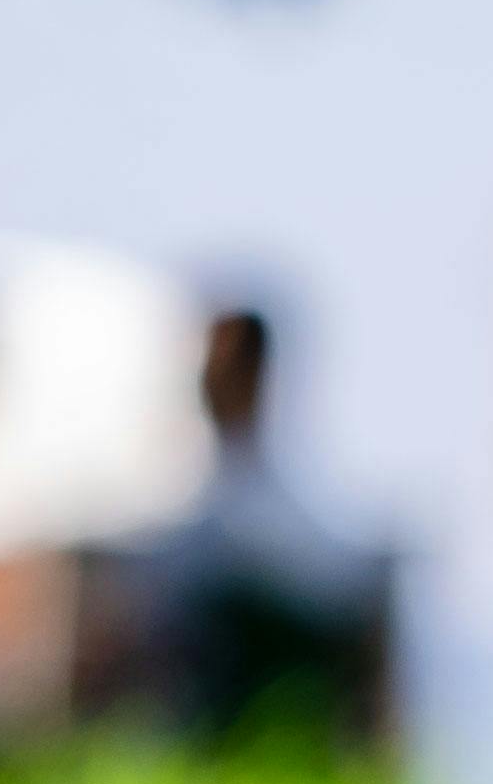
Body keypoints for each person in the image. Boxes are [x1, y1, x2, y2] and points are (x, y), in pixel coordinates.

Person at [99, 302, 397, 747]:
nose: (206, 378)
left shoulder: (252, 498)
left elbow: (314, 572)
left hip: (245, 694)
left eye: (216, 360)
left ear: (251, 372)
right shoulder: (191, 487)